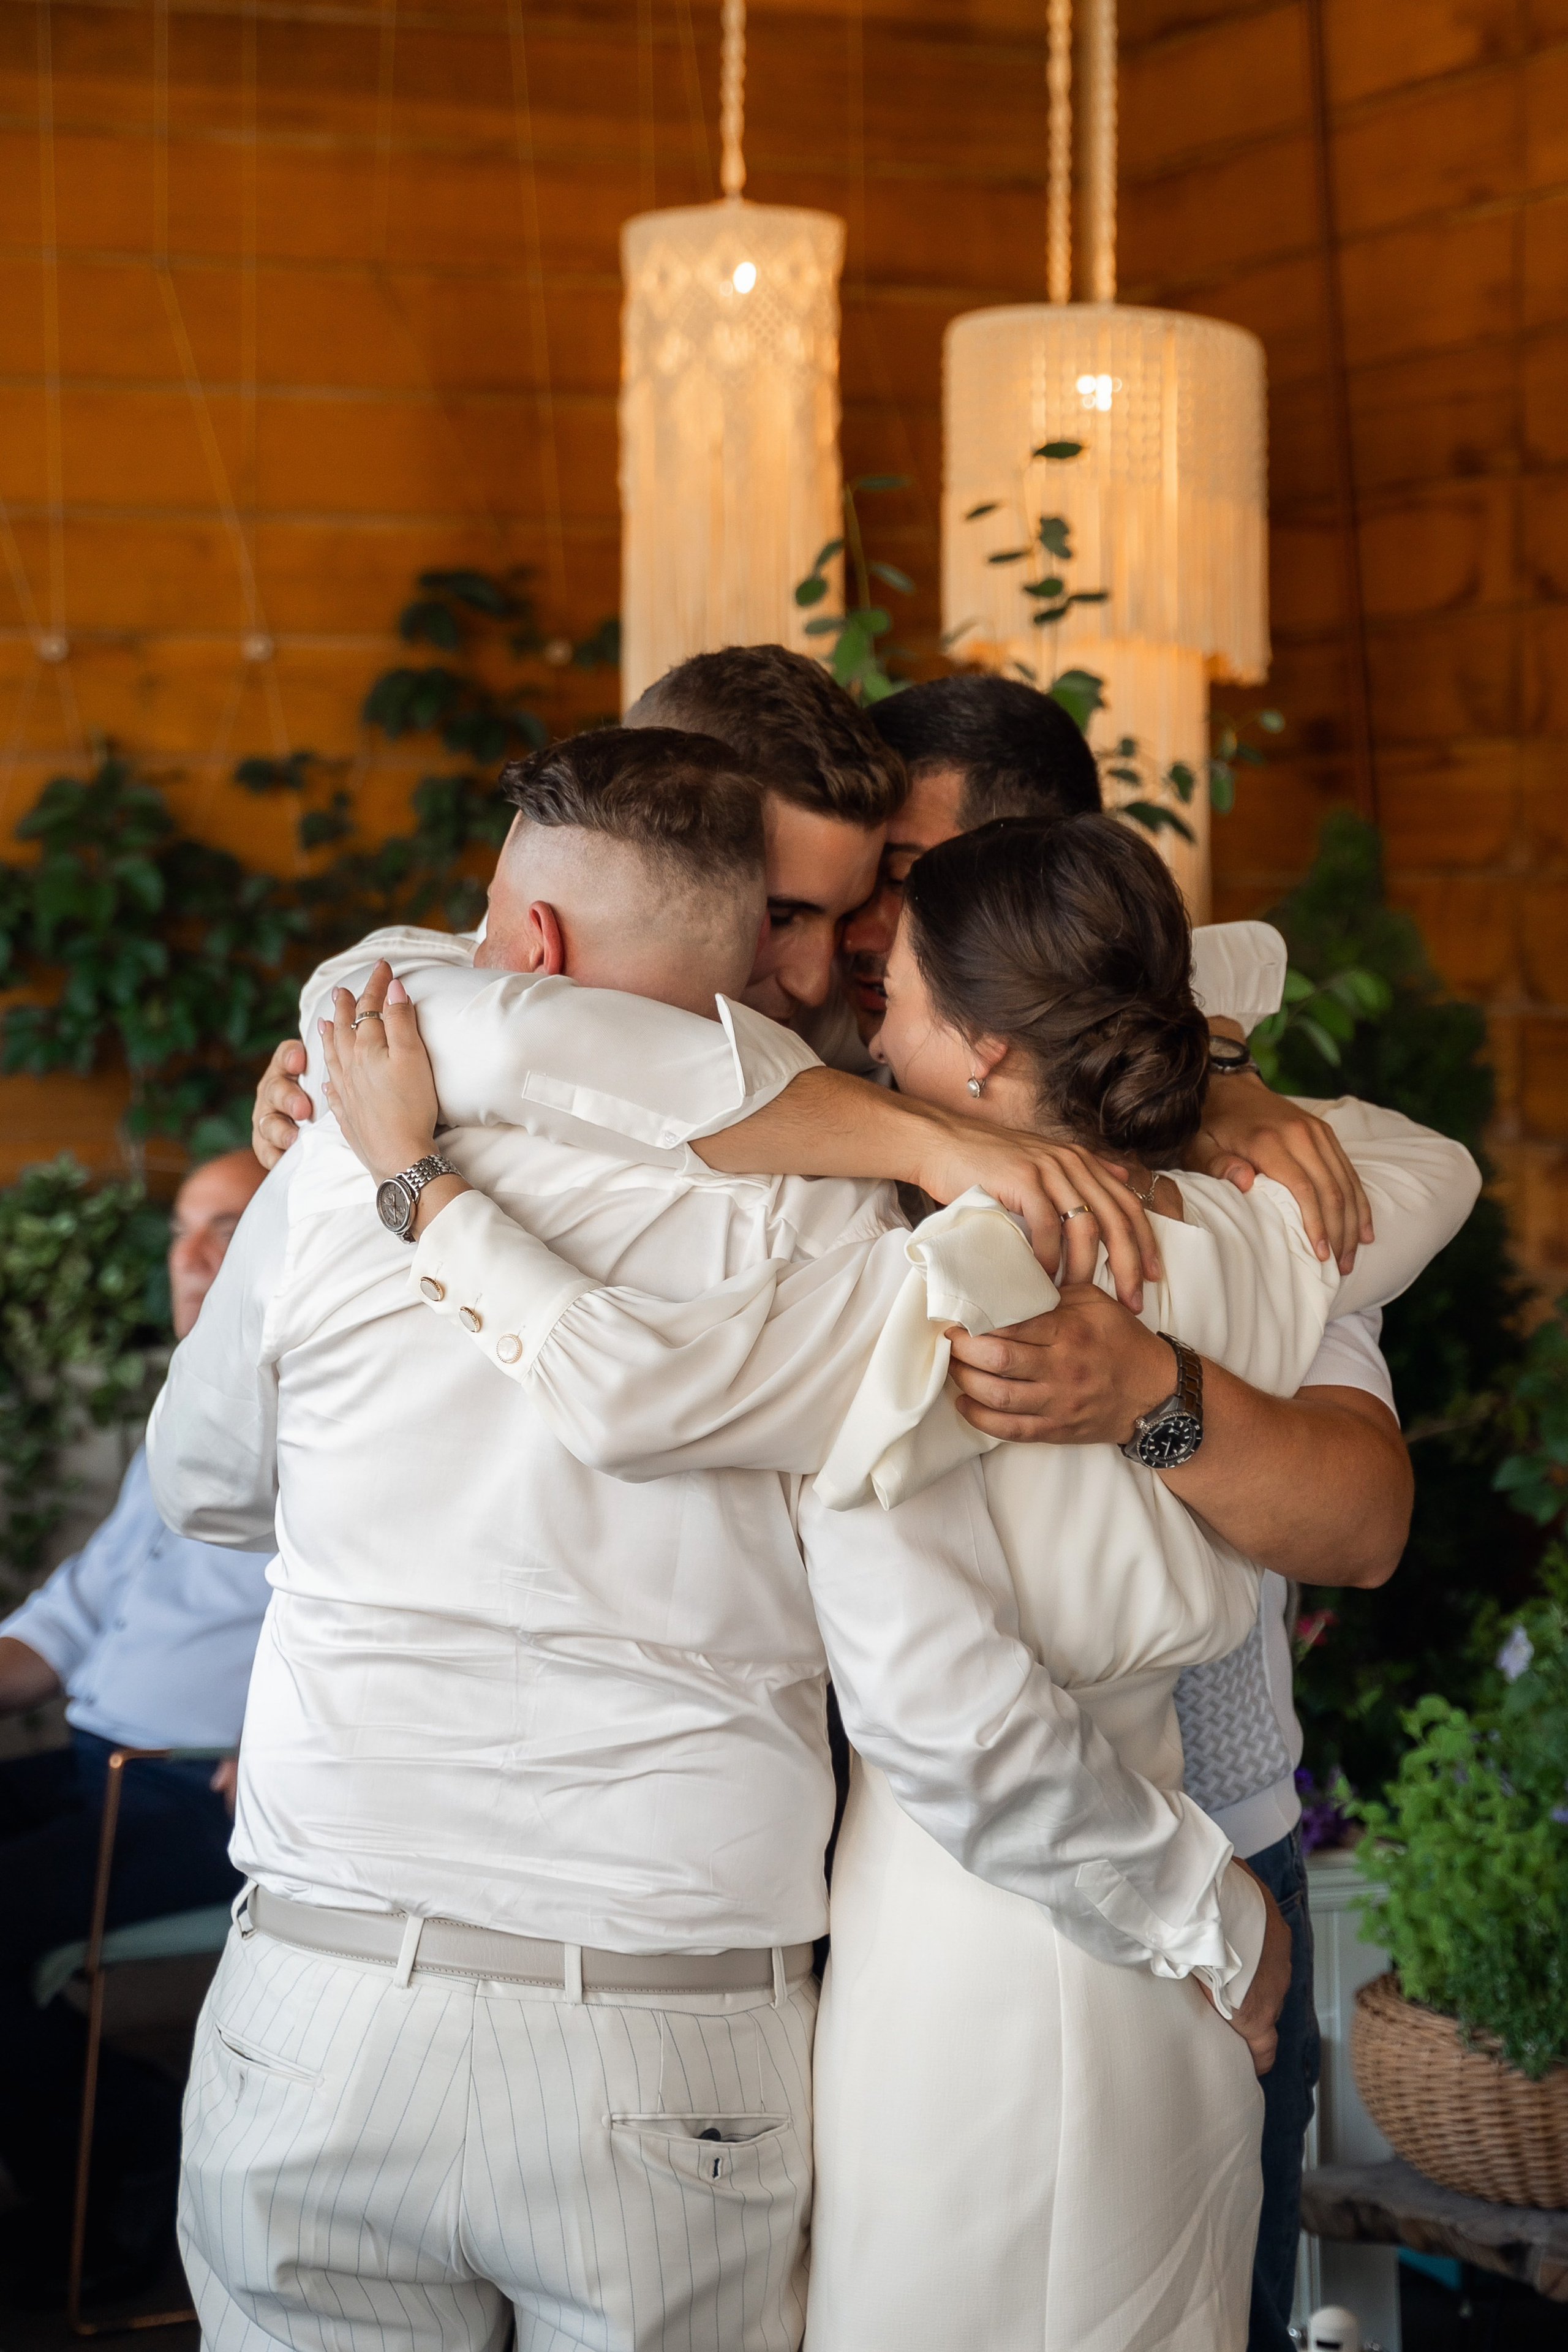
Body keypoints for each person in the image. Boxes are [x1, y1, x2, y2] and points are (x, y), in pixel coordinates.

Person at [149, 734, 1297, 2352]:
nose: (837, 965)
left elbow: (202, 1478)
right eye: (819, 918)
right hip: (664, 2028)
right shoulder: (858, 1230)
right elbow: (926, 1673)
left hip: (326, 1992)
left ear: (531, 938)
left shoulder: (341, 1151)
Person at [854, 671, 1393, 2352]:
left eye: (925, 876)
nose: (888, 917)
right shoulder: (843, 1139)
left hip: (1197, 1846)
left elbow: (1363, 1522)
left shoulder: (1243, 1194)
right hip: (869, 1876)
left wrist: (1151, 1386)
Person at [0, 1148, 270, 2306]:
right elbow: (62, 1625)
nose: (195, 1254)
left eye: (229, 1225)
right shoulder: (181, 1410)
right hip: (87, 1762)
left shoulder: (351, 1411)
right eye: (182, 1227)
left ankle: (111, 2205)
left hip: (202, 1794)